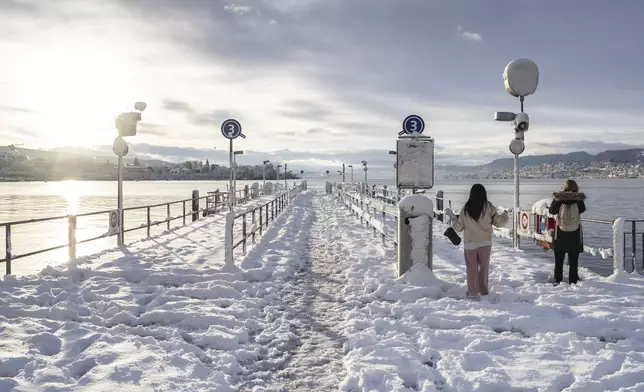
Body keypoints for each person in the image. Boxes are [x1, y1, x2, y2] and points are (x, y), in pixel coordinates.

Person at [451, 184, 509, 299]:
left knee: (471, 269)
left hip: (470, 244)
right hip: (485, 243)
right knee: (484, 268)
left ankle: (472, 293)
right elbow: (499, 223)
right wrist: (505, 214)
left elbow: (458, 227)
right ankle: (483, 291)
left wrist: (453, 219)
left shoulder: (466, 208)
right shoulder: (489, 207)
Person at [548, 179, 586, 285]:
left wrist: (558, 198)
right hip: (575, 234)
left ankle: (557, 279)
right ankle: (573, 280)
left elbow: (552, 211)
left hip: (560, 234)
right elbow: (582, 209)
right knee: (574, 260)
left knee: (559, 260)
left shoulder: (558, 198)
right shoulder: (578, 199)